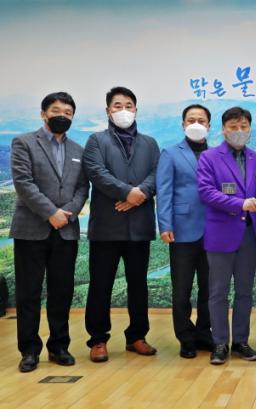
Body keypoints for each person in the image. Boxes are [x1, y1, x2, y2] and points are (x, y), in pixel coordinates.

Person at [10, 92, 89, 372]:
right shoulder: (24, 142)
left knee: (62, 291)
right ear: (43, 113)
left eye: (68, 113)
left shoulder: (79, 150)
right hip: (31, 230)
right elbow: (23, 183)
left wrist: (67, 212)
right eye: (56, 110)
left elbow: (83, 187)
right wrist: (50, 213)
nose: (62, 116)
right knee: (29, 292)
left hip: (66, 230)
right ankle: (29, 350)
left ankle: (59, 346)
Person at [83, 86, 160, 362]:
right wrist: (128, 193)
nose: (123, 110)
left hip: (139, 226)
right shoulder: (96, 140)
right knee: (100, 285)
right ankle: (98, 339)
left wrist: (139, 195)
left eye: (129, 105)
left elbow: (157, 174)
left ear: (136, 110)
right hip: (107, 227)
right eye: (118, 106)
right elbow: (96, 172)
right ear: (108, 111)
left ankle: (137, 336)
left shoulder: (150, 143)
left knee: (138, 284)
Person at [197, 107, 256, 364]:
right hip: (221, 234)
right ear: (223, 130)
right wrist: (239, 204)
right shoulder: (209, 157)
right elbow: (206, 192)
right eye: (233, 127)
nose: (239, 131)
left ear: (250, 129)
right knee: (218, 292)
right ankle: (220, 343)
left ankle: (241, 341)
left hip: (250, 236)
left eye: (244, 127)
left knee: (245, 292)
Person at [156, 104, 213, 359]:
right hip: (181, 230)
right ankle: (185, 337)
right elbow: (164, 191)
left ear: (209, 126)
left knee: (209, 288)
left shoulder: (216, 154)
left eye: (201, 120)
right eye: (191, 120)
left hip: (213, 230)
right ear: (183, 124)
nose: (196, 124)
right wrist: (165, 225)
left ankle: (204, 333)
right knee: (181, 290)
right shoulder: (170, 153)